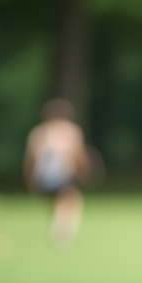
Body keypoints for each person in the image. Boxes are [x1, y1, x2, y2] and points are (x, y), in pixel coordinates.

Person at [23, 99, 92, 247]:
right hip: (63, 174)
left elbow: (30, 159)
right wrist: (85, 170)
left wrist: (31, 179)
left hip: (42, 177)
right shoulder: (71, 131)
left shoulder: (38, 132)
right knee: (71, 203)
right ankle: (62, 234)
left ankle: (59, 230)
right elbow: (77, 154)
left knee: (59, 204)